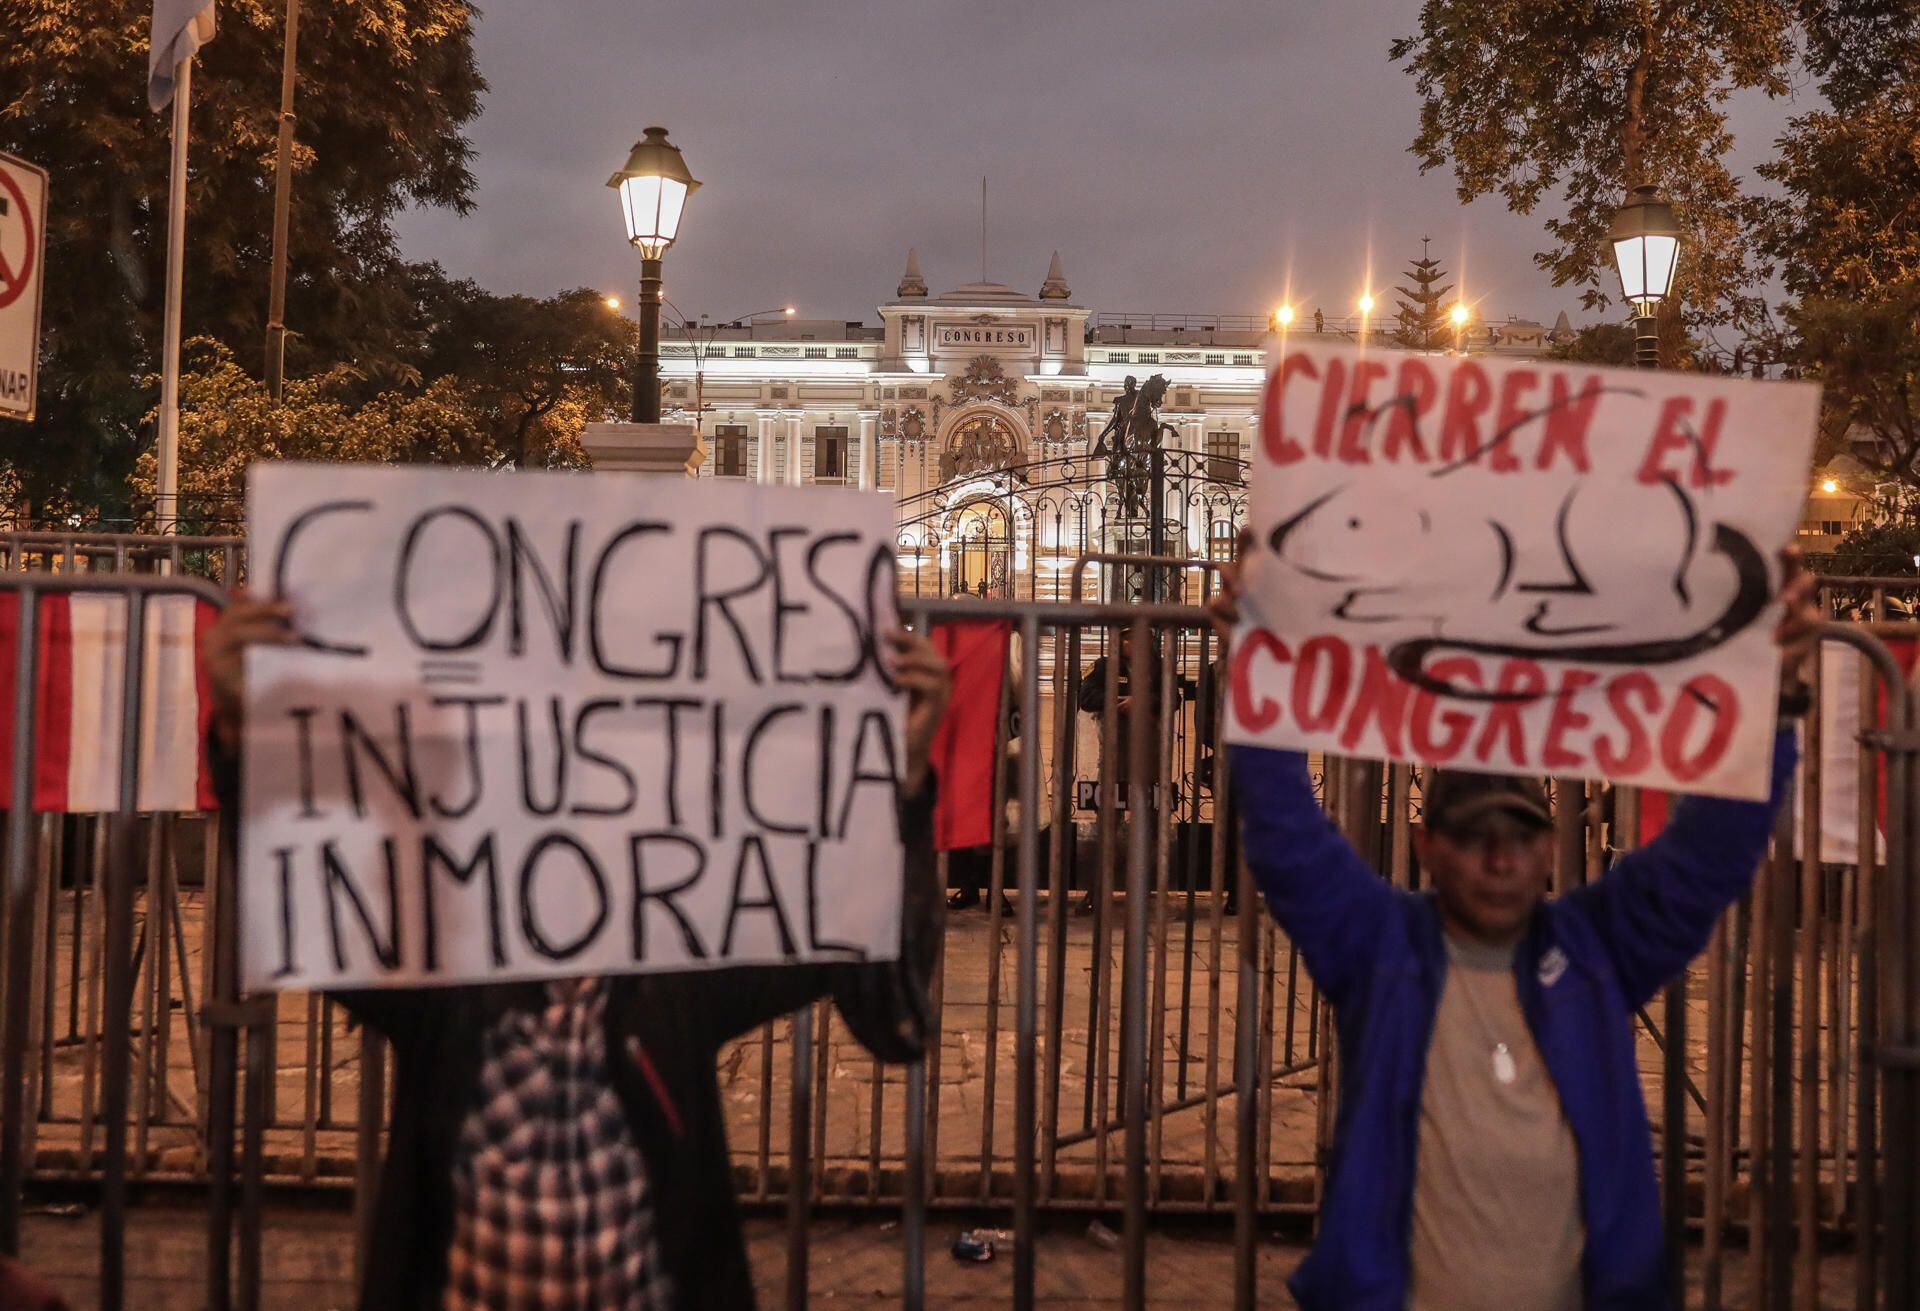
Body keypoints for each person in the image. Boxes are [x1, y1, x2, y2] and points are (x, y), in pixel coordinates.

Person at [201, 597, 953, 1311]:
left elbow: (892, 1012)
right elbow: (298, 895)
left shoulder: (684, 968)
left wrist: (901, 784)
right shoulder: (437, 965)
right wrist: (245, 734)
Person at [1208, 545, 1818, 1311]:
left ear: (1548, 845)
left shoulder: (1596, 947)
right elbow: (1284, 831)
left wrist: (1777, 694)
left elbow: (1711, 852)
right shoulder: (1379, 944)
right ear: (1427, 847)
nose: (1499, 859)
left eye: (1521, 835)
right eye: (1471, 836)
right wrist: (1256, 664)